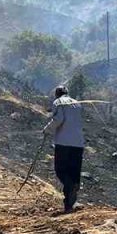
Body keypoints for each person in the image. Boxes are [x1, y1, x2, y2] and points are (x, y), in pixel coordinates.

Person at [44, 85, 84, 213]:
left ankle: (71, 188)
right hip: (78, 143)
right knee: (73, 172)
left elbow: (58, 120)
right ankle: (69, 204)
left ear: (57, 94)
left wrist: (47, 130)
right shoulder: (77, 104)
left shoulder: (58, 102)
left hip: (64, 142)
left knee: (61, 170)